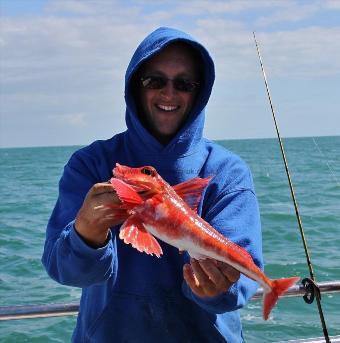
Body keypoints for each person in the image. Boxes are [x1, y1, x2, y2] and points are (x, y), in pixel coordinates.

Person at [42, 27, 263, 342]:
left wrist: (218, 288)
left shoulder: (227, 172)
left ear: (199, 92)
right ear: (136, 86)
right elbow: (63, 270)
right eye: (154, 80)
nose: (169, 94)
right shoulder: (91, 164)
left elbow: (239, 282)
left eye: (184, 83)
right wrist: (86, 234)